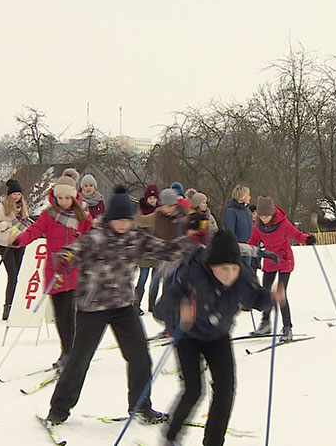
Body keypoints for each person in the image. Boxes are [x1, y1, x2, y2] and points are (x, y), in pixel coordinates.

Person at [45, 187, 200, 426]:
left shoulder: (136, 238)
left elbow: (166, 250)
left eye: (126, 220)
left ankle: (141, 407)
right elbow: (72, 252)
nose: (122, 224)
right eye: (117, 220)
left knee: (139, 357)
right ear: (110, 219)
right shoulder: (95, 237)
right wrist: (63, 259)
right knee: (79, 359)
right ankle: (58, 409)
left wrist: (192, 239)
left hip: (123, 305)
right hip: (92, 306)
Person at [155, 229, 282, 446]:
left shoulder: (242, 277)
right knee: (194, 390)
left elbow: (255, 297)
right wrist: (179, 311)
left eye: (234, 268)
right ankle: (171, 437)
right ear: (211, 265)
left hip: (218, 336)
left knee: (226, 389)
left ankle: (213, 441)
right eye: (223, 269)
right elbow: (160, 308)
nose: (229, 274)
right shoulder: (192, 274)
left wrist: (271, 298)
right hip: (188, 336)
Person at [11, 168, 92, 370]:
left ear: (74, 197)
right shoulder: (49, 216)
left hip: (74, 270)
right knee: (60, 314)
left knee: (70, 313)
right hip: (54, 271)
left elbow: (93, 236)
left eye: (67, 197)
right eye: (60, 197)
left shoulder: (82, 217)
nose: (64, 201)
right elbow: (34, 230)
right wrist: (19, 240)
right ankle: (67, 350)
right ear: (55, 196)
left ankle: (71, 353)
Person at [247, 196, 314, 340]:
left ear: (272, 213)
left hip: (284, 261)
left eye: (267, 215)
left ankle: (287, 327)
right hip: (270, 261)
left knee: (280, 293)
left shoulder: (283, 223)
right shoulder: (258, 226)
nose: (264, 218)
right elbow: (252, 242)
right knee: (265, 292)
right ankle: (265, 323)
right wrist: (241, 251)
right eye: (261, 216)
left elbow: (297, 235)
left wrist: (307, 239)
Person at [0, 179, 31, 320]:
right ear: (9, 195)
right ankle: (8, 306)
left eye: (19, 194)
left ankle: (17, 304)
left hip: (20, 244)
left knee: (18, 275)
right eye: (14, 194)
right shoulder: (0, 208)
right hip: (6, 245)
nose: (17, 197)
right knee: (12, 275)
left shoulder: (22, 208)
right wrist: (6, 225)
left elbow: (27, 224)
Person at [136, 184, 161, 314]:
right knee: (142, 278)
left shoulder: (161, 213)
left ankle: (152, 305)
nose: (152, 200)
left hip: (157, 251)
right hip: (145, 252)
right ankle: (136, 304)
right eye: (150, 197)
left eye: (154, 197)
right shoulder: (140, 213)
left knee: (155, 280)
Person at [222, 185, 253, 263]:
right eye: (248, 195)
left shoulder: (247, 211)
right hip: (237, 249)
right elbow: (229, 232)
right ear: (243, 196)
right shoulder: (231, 212)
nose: (250, 197)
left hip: (248, 247)